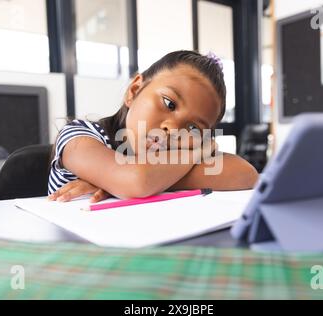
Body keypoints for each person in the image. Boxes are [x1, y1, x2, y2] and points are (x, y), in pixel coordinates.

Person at [48, 50, 258, 203]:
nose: (174, 130)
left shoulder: (177, 157)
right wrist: (197, 154)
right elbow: (135, 181)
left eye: (194, 128)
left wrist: (118, 184)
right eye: (169, 103)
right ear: (135, 90)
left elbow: (245, 174)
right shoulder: (78, 137)